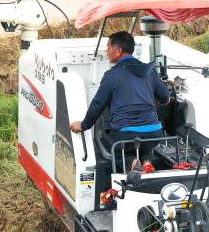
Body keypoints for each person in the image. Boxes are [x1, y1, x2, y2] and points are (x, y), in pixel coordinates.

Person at [70, 30, 170, 176]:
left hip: (126, 134)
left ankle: (133, 163)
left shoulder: (111, 75)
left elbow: (98, 105)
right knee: (146, 144)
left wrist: (84, 125)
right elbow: (166, 98)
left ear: (118, 50)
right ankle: (147, 163)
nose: (106, 51)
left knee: (115, 149)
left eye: (108, 47)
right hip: (154, 132)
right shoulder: (149, 71)